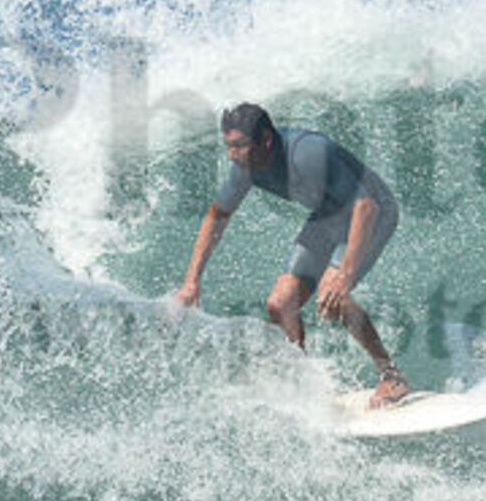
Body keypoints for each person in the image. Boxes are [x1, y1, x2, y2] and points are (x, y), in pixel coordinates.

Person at [175, 103, 411, 407]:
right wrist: (192, 281)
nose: (232, 155)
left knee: (333, 295)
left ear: (266, 140)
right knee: (280, 304)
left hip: (373, 212)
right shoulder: (245, 167)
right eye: (228, 146)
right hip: (328, 216)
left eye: (239, 145)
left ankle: (392, 377)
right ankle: (304, 387)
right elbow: (217, 216)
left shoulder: (307, 152)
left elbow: (365, 207)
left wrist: (345, 275)